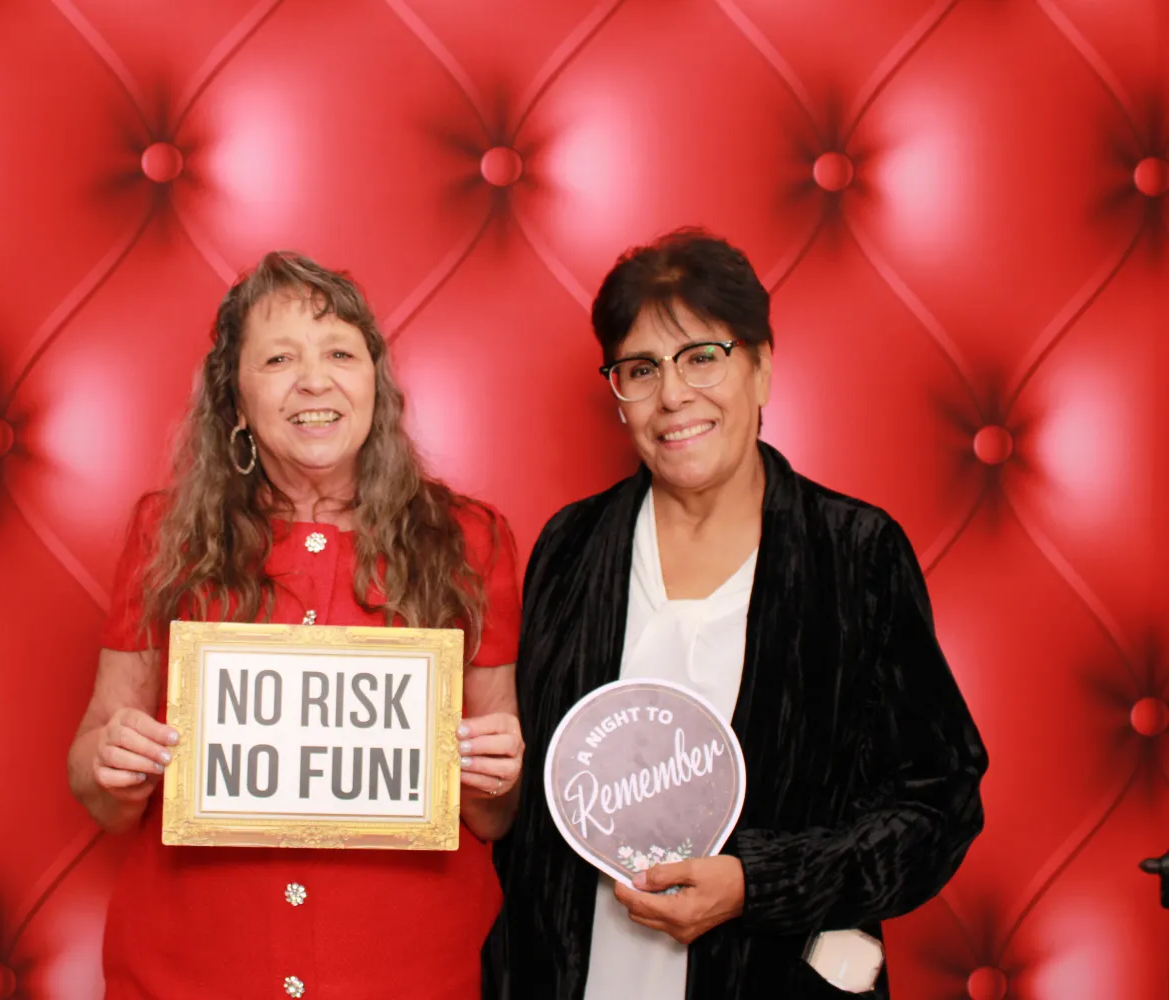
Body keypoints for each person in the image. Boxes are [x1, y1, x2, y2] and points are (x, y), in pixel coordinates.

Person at [486, 227, 988, 999]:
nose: (673, 394)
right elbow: (539, 807)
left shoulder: (854, 553)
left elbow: (938, 802)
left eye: (702, 357)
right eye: (640, 369)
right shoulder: (572, 545)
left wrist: (758, 883)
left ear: (761, 369)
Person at [68, 251, 525, 999]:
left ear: (374, 384)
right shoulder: (165, 536)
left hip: (409, 974)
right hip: (193, 973)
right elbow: (94, 785)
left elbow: (494, 813)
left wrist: (496, 775)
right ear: (237, 401)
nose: (315, 380)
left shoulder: (471, 539)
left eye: (341, 353)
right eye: (280, 357)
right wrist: (112, 763)